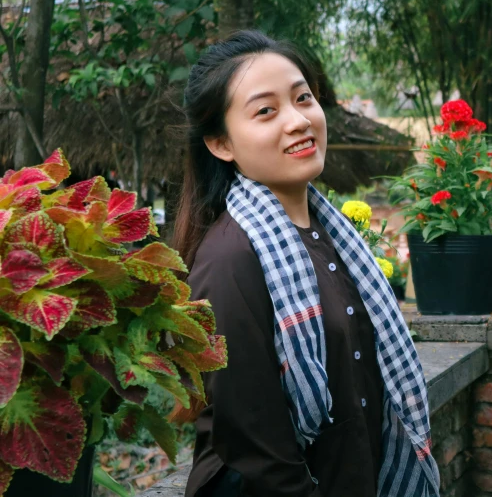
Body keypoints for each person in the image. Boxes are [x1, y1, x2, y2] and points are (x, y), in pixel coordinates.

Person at [170, 30, 439, 497]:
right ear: (221, 144)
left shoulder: (334, 237)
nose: (298, 121)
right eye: (266, 111)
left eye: (303, 98)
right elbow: (256, 445)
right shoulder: (231, 258)